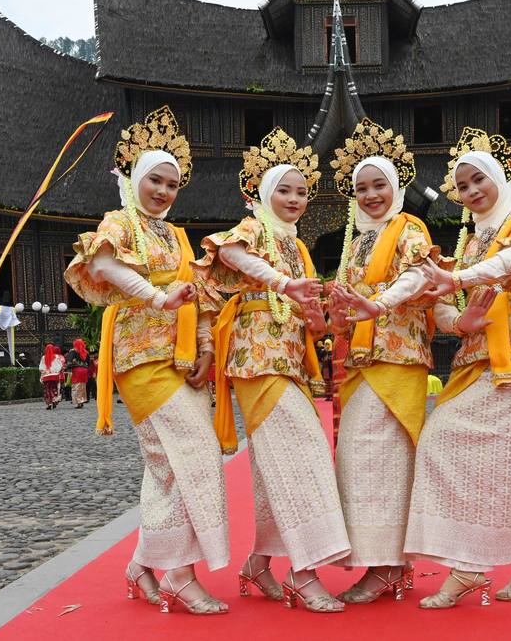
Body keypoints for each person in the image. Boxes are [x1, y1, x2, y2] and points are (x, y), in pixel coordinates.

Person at [63, 106, 229, 615]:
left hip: (184, 360)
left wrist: (205, 349)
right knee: (192, 455)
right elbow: (103, 264)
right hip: (140, 357)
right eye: (155, 180)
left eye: (172, 184)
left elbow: (199, 296)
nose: (163, 191)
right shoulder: (120, 222)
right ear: (135, 178)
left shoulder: (178, 237)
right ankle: (179, 573)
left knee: (167, 466)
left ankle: (143, 563)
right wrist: (157, 298)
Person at [404, 127, 511, 608]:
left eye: (479, 180)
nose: (471, 192)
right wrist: (459, 316)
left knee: (497, 460)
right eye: (463, 185)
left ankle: (470, 569)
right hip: (474, 363)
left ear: (499, 177)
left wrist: (457, 276)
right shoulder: (470, 244)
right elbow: (452, 311)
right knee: (458, 447)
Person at [194, 126, 350, 613]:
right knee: (303, 454)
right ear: (262, 193)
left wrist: (326, 314)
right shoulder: (256, 229)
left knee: (275, 463)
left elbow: (309, 318)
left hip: (292, 362)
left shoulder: (298, 246)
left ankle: (259, 563)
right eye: (283, 189)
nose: (294, 198)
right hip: (255, 358)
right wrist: (283, 283)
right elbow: (228, 252)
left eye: (302, 191)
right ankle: (302, 572)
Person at [322, 119, 436, 603]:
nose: (370, 195)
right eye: (361, 188)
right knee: (357, 460)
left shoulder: (410, 229)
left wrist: (379, 303)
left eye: (379, 186)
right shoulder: (356, 240)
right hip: (358, 362)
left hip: (398, 359)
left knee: (383, 460)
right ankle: (381, 562)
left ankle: (388, 566)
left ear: (397, 186)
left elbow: (417, 276)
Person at [65, 338, 92, 409]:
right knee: (82, 386)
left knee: (75, 386)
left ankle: (78, 402)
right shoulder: (86, 352)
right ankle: (82, 400)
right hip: (84, 371)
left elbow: (69, 361)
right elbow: (89, 363)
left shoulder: (73, 351)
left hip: (76, 370)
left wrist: (68, 367)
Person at [39, 344, 65, 409]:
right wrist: (55, 371)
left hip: (46, 376)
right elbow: (60, 365)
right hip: (54, 376)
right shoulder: (56, 357)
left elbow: (41, 367)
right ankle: (54, 400)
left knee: (47, 389)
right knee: (54, 388)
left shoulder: (44, 357)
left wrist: (45, 371)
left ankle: (49, 403)